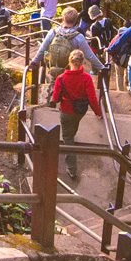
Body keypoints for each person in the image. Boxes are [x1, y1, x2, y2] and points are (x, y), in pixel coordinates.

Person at [52, 49, 103, 179]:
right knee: (73, 127)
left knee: (67, 138)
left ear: (69, 61)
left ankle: (72, 169)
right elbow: (92, 98)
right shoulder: (86, 78)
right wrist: (98, 112)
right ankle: (72, 136)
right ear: (82, 63)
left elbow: (56, 98)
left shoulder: (61, 78)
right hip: (80, 111)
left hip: (66, 111)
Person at [30, 7, 103, 91]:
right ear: (75, 21)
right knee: (70, 89)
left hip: (55, 67)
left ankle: (54, 95)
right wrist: (101, 67)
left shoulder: (53, 32)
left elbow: (42, 49)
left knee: (55, 83)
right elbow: (90, 56)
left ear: (63, 18)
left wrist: (35, 61)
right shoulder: (78, 37)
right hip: (70, 70)